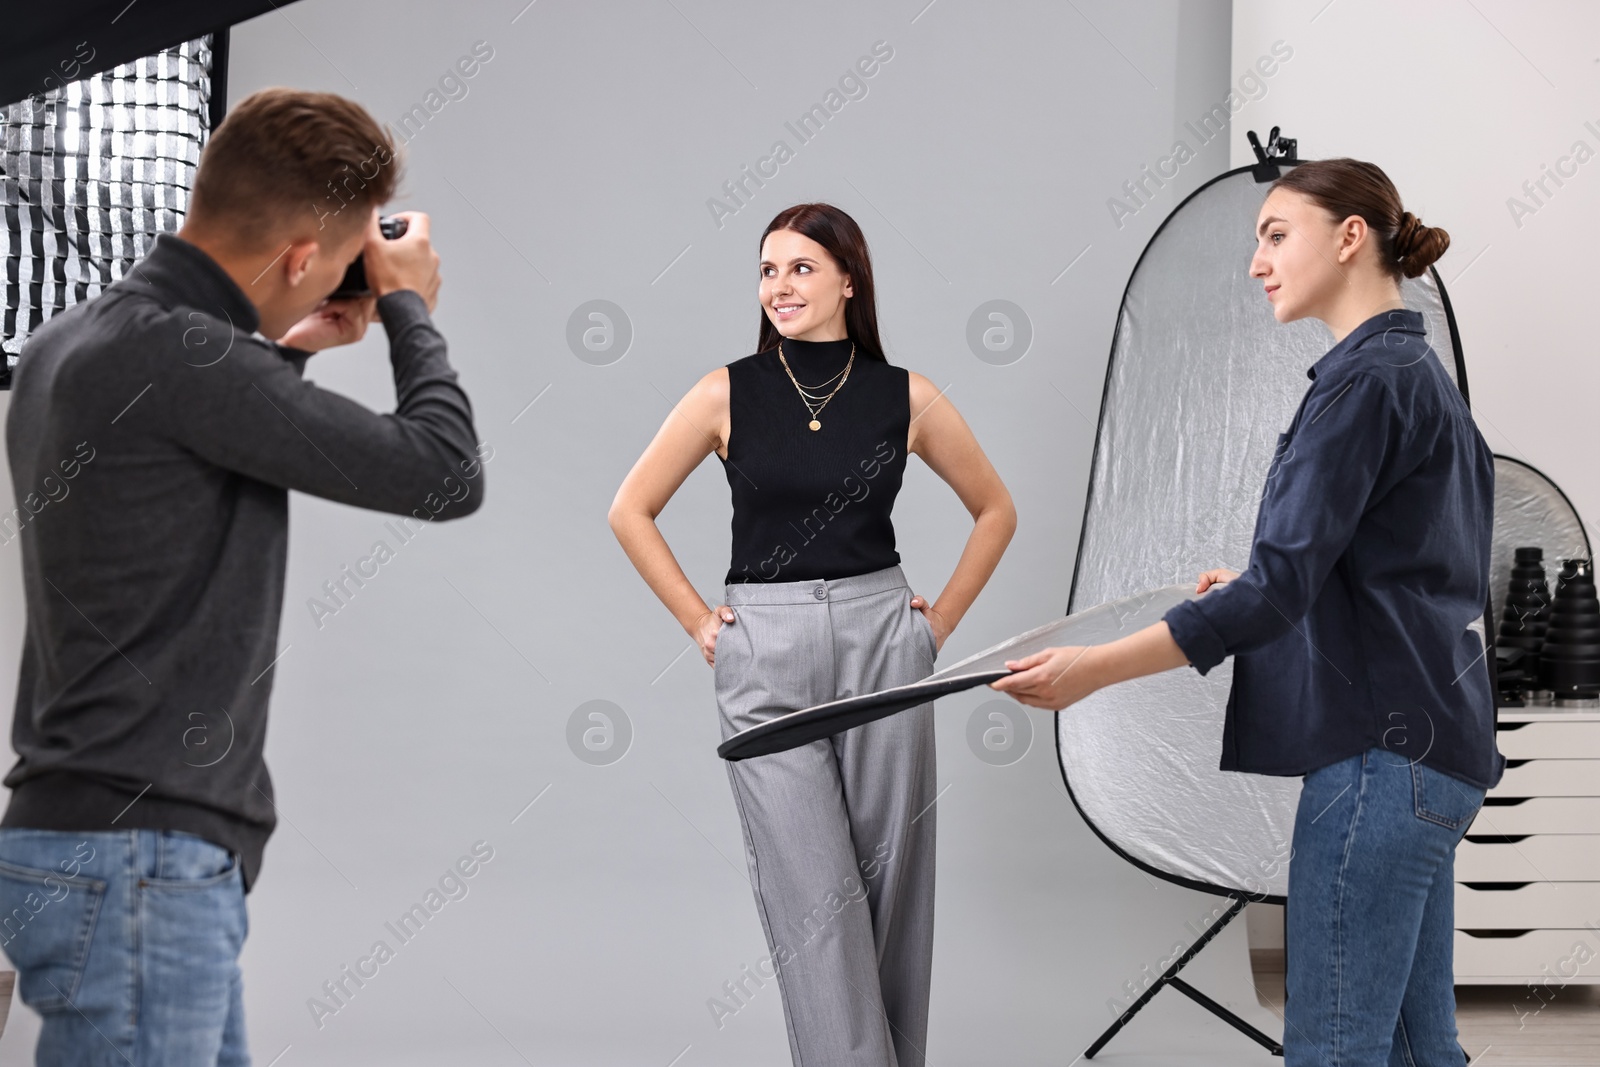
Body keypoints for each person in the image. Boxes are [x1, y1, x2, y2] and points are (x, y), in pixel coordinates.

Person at [0, 88, 484, 1065]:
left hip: (74, 838)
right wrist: (406, 311)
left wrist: (286, 352)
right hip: (142, 860)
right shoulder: (189, 359)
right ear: (303, 256)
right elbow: (446, 471)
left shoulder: (71, 342)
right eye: (337, 264)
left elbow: (179, 476)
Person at [992, 159, 1502, 1066]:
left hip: (1381, 763)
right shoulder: (1417, 376)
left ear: (1349, 236)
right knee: (1424, 1055)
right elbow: (1409, 571)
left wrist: (1094, 669)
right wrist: (1265, 579)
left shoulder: (1363, 385)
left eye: (1275, 234)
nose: (1257, 262)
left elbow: (1279, 591)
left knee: (1333, 1049)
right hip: (1438, 753)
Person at [609, 203, 1015, 1067]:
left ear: (847, 279)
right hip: (767, 652)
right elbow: (629, 509)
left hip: (883, 640)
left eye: (799, 267)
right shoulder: (727, 391)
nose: (779, 286)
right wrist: (698, 620)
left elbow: (995, 510)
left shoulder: (906, 393)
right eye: (766, 270)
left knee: (892, 893)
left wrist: (934, 624)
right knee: (817, 904)